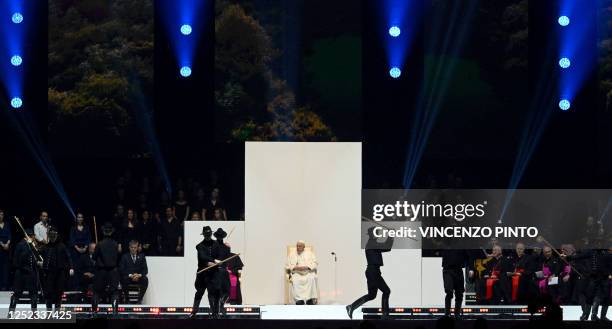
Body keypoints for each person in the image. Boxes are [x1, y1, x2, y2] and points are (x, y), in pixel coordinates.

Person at [346, 228, 393, 319]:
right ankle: (385, 315)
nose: (378, 235)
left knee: (371, 295)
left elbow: (387, 247)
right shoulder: (372, 243)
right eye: (377, 233)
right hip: (373, 272)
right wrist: (391, 235)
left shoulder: (372, 243)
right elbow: (387, 247)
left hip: (372, 271)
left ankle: (351, 306)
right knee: (386, 291)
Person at [189, 226, 221, 319]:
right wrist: (211, 261)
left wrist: (215, 262)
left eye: (209, 234)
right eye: (206, 234)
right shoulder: (199, 246)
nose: (208, 236)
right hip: (202, 274)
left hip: (213, 273)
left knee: (213, 293)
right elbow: (203, 257)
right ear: (204, 235)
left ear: (211, 234)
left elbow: (219, 256)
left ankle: (215, 313)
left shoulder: (216, 244)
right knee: (199, 292)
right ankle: (194, 312)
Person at [40, 226, 74, 309]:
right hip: (49, 273)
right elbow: (39, 256)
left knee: (58, 293)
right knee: (48, 293)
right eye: (50, 235)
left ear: (56, 235)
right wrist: (40, 262)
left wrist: (71, 267)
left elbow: (68, 257)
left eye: (53, 235)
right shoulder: (46, 247)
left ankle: (57, 313)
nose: (52, 237)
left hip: (60, 273)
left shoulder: (62, 246)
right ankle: (48, 313)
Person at [92, 222, 121, 316]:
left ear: (104, 232)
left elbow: (94, 257)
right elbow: (118, 257)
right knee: (114, 292)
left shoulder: (99, 244)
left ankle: (94, 312)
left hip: (101, 271)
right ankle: (115, 312)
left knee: (96, 291)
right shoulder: (116, 244)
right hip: (113, 271)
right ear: (111, 232)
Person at [10, 229, 39, 312]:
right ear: (30, 236)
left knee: (33, 294)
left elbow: (34, 258)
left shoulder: (32, 245)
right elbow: (16, 261)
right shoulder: (21, 244)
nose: (34, 238)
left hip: (30, 273)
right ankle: (11, 313)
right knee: (17, 294)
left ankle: (34, 314)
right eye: (33, 236)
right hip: (21, 273)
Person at [441, 249, 473, 317]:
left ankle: (457, 314)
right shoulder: (446, 242)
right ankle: (447, 314)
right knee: (449, 292)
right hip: (447, 269)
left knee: (459, 293)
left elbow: (469, 257)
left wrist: (471, 269)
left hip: (458, 270)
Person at [286, 240, 319, 305]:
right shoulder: (292, 254)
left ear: (304, 247)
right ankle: (299, 300)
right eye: (297, 246)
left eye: (300, 246)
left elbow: (315, 263)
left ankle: (310, 299)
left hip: (308, 272)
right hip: (296, 272)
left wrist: (307, 267)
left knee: (311, 278)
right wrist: (295, 267)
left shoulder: (310, 254)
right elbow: (287, 265)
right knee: (295, 279)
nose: (298, 247)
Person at [69, 213, 91, 289]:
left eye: (81, 217)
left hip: (85, 250)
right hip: (75, 250)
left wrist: (85, 248)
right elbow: (72, 239)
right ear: (76, 219)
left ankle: (84, 285)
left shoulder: (86, 227)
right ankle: (76, 286)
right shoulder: (73, 228)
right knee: (76, 268)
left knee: (84, 267)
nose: (80, 219)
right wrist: (77, 248)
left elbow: (88, 239)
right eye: (78, 217)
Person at [213, 228, 231, 316]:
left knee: (220, 291)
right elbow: (227, 262)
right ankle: (222, 304)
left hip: (217, 272)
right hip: (222, 271)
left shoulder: (213, 246)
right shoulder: (227, 248)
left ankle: (220, 305)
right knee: (226, 291)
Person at [0, 209, 12, 290]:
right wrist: (2, 244)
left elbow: (10, 235)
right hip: (0, 246)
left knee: (6, 267)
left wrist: (7, 243)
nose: (0, 216)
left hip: (7, 247)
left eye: (2, 214)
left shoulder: (7, 224)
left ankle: (5, 285)